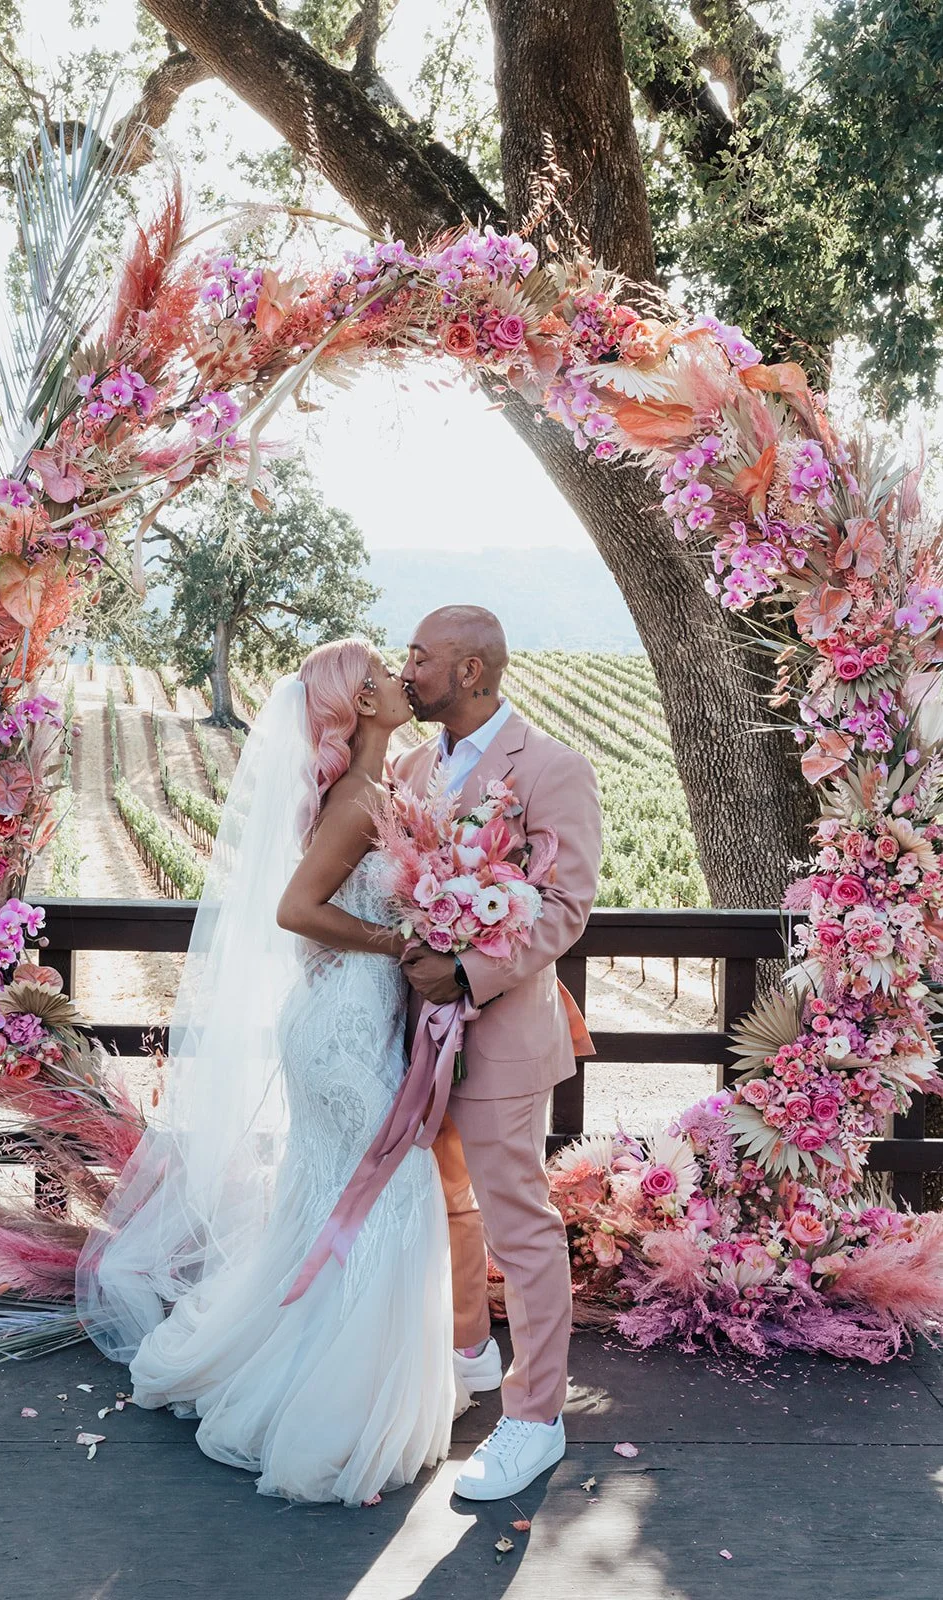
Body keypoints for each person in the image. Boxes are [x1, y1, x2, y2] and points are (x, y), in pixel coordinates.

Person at [75, 639, 456, 1506]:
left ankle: (309, 1372)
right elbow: (295, 910)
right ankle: (339, 1405)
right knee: (396, 1194)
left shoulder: (378, 790)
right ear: (359, 704)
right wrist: (395, 941)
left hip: (355, 1019)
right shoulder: (358, 797)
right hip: (341, 1028)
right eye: (382, 678)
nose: (399, 681)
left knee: (331, 1196)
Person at [394, 606, 602, 1501]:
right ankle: (469, 1357)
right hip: (409, 1035)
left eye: (419, 657)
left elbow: (566, 905)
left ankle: (534, 1419)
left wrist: (467, 971)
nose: (405, 671)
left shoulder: (551, 768)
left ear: (471, 671)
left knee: (519, 1224)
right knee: (436, 1203)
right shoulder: (406, 767)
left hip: (501, 1034)